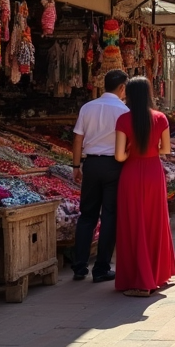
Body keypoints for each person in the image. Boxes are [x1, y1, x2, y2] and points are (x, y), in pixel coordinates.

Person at [113, 76, 175, 297]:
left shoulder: (123, 120)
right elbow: (166, 149)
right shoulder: (160, 118)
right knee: (154, 222)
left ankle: (138, 280)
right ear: (149, 94)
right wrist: (149, 151)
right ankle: (157, 274)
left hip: (130, 174)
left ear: (128, 95)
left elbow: (119, 156)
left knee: (133, 225)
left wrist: (132, 152)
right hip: (153, 173)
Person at [70, 68, 129, 282]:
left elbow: (77, 139)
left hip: (91, 164)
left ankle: (79, 266)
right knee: (110, 216)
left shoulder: (88, 107)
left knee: (87, 215)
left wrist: (76, 166)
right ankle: (101, 268)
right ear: (122, 88)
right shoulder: (123, 110)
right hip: (114, 165)